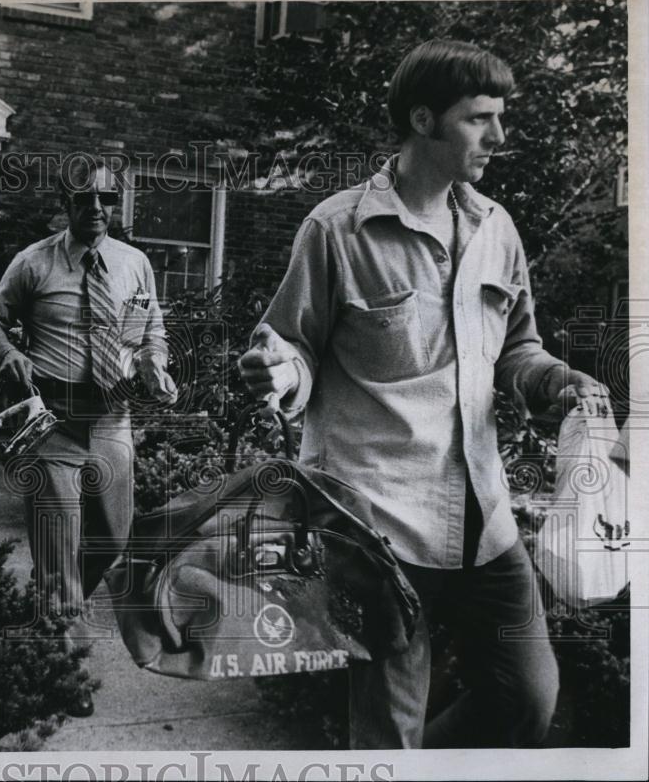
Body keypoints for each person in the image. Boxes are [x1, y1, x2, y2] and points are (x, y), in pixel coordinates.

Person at [238, 39, 610, 748]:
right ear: (422, 120)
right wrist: (277, 371)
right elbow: (290, 346)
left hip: (485, 517)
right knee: (388, 727)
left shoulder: (496, 230)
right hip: (380, 524)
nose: (499, 137)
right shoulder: (338, 229)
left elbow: (519, 351)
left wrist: (555, 381)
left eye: (500, 118)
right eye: (480, 119)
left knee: (528, 697)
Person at [0, 153, 178, 718]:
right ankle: (61, 663)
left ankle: (50, 614)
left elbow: (150, 328)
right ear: (65, 204)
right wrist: (10, 352)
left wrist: (153, 364)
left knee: (112, 542)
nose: (96, 208)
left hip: (112, 419)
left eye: (106, 199)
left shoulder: (134, 264)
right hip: (53, 425)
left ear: (118, 205)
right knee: (60, 547)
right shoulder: (34, 262)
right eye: (84, 199)